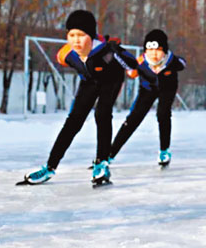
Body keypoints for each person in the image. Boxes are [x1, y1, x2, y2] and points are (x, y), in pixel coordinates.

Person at [21, 10, 153, 187]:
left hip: (111, 79)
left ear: (91, 36)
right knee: (73, 122)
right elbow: (62, 59)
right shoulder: (66, 54)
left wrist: (118, 52)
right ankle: (49, 167)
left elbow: (133, 64)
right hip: (89, 81)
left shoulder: (107, 52)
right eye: (72, 35)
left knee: (102, 114)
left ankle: (102, 163)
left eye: (81, 35)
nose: (76, 40)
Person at [109, 29, 186, 166]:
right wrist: (118, 52)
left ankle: (164, 150)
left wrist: (176, 64)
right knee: (133, 118)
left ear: (164, 50)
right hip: (147, 89)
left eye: (157, 50)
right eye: (149, 50)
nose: (154, 54)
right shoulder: (142, 61)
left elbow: (182, 63)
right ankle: (110, 154)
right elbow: (131, 72)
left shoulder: (171, 60)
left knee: (163, 114)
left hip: (167, 89)